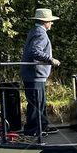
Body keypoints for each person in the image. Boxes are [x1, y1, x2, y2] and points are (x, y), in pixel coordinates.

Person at [20, 8, 61, 136]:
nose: (52, 23)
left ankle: (42, 126)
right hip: (34, 75)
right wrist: (51, 59)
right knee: (35, 103)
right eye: (50, 21)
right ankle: (32, 130)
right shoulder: (40, 33)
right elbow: (35, 51)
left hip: (37, 75)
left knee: (40, 102)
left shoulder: (35, 31)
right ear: (45, 22)